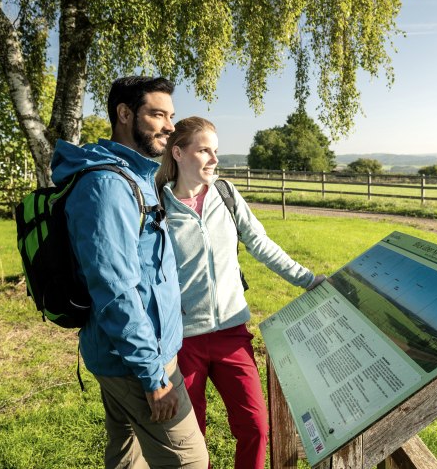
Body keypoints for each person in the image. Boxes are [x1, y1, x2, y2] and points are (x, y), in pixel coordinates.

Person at [50, 77, 208, 469]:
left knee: (126, 455)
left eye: (170, 115)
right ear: (124, 114)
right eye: (157, 114)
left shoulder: (133, 175)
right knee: (190, 460)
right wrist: (154, 377)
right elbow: (115, 290)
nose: (170, 125)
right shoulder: (107, 186)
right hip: (136, 362)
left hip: (122, 354)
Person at [155, 116, 324, 469]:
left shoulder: (226, 195)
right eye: (204, 150)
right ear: (179, 153)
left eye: (215, 150)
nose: (215, 159)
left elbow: (261, 244)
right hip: (182, 341)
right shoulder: (158, 207)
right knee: (190, 437)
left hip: (232, 333)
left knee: (256, 428)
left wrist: (308, 280)